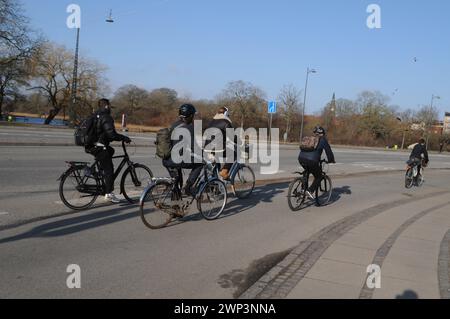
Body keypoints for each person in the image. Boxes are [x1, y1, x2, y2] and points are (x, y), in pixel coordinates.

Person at [86, 99, 131, 203]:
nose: (110, 108)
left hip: (91, 145)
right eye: (109, 106)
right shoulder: (106, 117)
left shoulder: (95, 115)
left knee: (110, 151)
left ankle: (101, 172)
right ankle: (109, 193)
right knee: (109, 169)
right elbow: (111, 134)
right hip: (99, 146)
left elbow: (102, 132)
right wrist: (124, 138)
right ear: (106, 106)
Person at [163, 104, 203, 197]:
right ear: (190, 115)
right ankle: (188, 187)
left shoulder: (174, 125)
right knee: (200, 163)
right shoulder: (190, 127)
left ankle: (175, 203)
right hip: (176, 160)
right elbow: (195, 147)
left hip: (166, 159)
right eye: (193, 115)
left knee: (176, 181)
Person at [298, 126, 336, 196]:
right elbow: (328, 151)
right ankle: (310, 190)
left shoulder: (310, 139)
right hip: (312, 161)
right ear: (323, 133)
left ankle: (303, 189)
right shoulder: (323, 140)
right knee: (319, 176)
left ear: (315, 133)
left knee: (307, 171)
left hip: (301, 158)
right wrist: (331, 160)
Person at [206, 106, 235, 180]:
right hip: (218, 147)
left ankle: (215, 185)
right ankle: (224, 172)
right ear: (226, 113)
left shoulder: (211, 121)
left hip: (207, 147)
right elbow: (232, 136)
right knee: (233, 154)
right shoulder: (226, 122)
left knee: (216, 163)